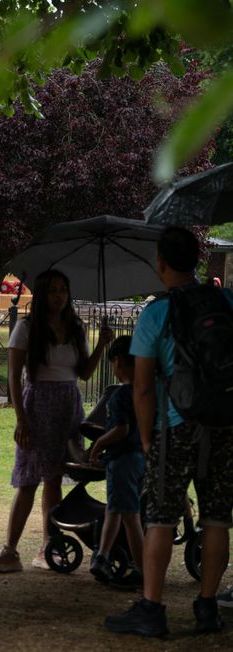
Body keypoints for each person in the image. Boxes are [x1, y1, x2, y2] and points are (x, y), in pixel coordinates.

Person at [106, 227, 233, 638]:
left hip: (174, 426)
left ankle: (152, 607)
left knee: (160, 517)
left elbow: (141, 386)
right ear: (196, 260)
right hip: (224, 424)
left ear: (160, 263)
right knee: (217, 518)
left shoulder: (157, 313)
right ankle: (207, 606)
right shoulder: (227, 301)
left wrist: (146, 438)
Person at [0, 269, 112, 573]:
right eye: (53, 290)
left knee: (54, 479)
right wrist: (21, 419)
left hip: (68, 406)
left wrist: (102, 345)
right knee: (28, 479)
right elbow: (14, 377)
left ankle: (47, 547)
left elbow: (84, 373)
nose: (59, 296)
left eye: (63, 290)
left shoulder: (75, 328)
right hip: (38, 405)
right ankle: (10, 550)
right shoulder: (27, 328)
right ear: (42, 294)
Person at [88, 335, 145, 588]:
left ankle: (142, 569)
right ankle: (102, 555)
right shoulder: (145, 391)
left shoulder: (120, 396)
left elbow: (122, 429)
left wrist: (99, 443)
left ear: (119, 362)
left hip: (122, 459)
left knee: (131, 516)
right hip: (136, 457)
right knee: (114, 508)